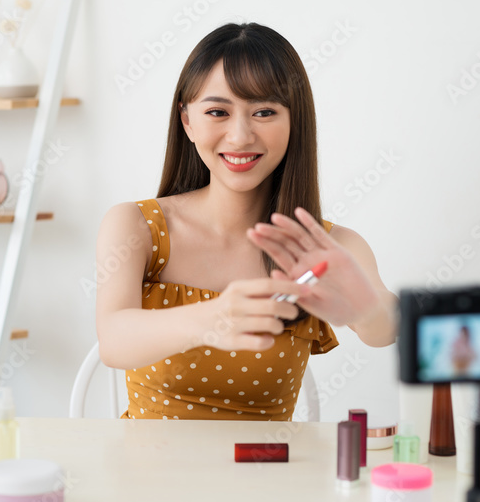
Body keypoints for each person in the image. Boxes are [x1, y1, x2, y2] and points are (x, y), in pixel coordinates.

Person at [95, 22, 398, 420]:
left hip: (267, 474)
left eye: (264, 112)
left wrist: (363, 307)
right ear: (187, 120)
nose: (240, 136)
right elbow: (113, 342)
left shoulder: (328, 245)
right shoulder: (135, 226)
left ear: (294, 122)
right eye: (218, 112)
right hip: (147, 473)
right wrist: (213, 318)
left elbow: (386, 330)